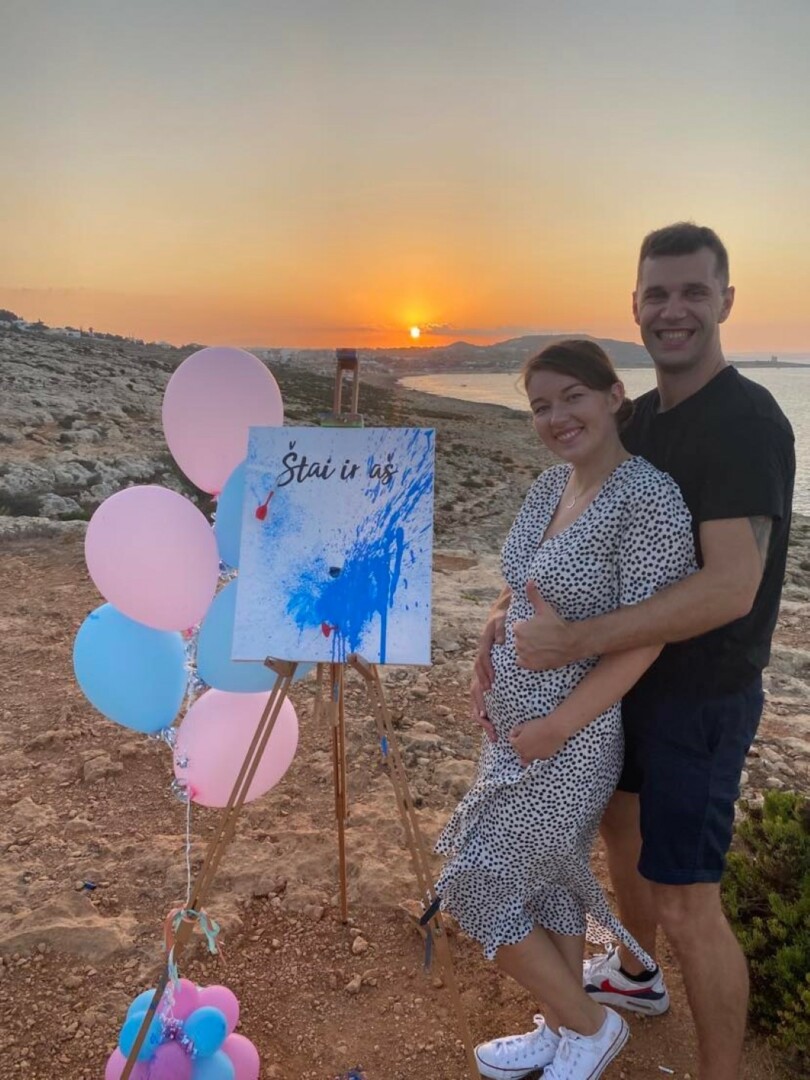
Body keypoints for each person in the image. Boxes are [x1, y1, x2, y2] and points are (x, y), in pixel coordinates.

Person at [474, 223, 795, 1080]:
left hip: (701, 696)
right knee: (618, 838)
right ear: (636, 306)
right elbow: (583, 535)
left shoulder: (745, 422)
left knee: (690, 902)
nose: (673, 310)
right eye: (658, 293)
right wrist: (504, 615)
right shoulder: (640, 420)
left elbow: (731, 587)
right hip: (619, 691)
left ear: (726, 301)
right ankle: (634, 976)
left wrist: (575, 640)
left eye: (694, 291)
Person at [437, 339, 697, 1080]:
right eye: (540, 406)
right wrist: (491, 631)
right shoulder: (553, 484)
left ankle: (591, 1025)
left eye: (572, 397)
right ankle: (561, 1029)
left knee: (474, 883)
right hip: (515, 728)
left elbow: (646, 636)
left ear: (615, 396)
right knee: (548, 882)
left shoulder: (648, 499)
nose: (556, 417)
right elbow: (523, 582)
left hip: (569, 737)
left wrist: (556, 726)